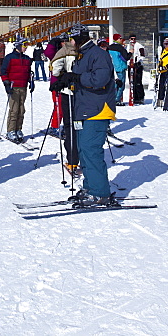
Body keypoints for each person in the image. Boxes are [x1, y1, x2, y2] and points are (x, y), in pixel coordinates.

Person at [53, 23, 117, 207]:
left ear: (79, 39)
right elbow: (82, 79)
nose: (69, 42)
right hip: (84, 108)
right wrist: (66, 81)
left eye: (71, 39)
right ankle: (91, 187)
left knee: (91, 150)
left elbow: (100, 80)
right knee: (83, 150)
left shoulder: (98, 54)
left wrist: (77, 77)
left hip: (97, 110)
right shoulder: (83, 56)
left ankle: (100, 193)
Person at [48, 33, 80, 177]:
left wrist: (62, 77)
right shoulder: (84, 49)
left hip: (70, 92)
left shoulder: (65, 50)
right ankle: (77, 159)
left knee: (71, 126)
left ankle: (73, 159)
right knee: (76, 125)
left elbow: (54, 69)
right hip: (79, 92)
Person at [0, 40, 34, 142]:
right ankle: (11, 130)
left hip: (23, 86)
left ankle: (18, 129)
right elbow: (3, 71)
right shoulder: (9, 57)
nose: (26, 47)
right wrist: (6, 83)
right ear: (18, 46)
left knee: (21, 109)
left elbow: (28, 72)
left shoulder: (26, 59)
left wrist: (31, 81)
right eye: (24, 45)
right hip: (13, 87)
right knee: (14, 109)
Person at [108, 34, 131, 106]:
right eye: (120, 38)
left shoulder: (110, 47)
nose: (122, 40)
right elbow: (125, 57)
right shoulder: (120, 48)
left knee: (114, 85)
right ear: (117, 39)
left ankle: (112, 99)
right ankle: (117, 100)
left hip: (112, 68)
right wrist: (130, 52)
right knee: (121, 85)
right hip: (120, 68)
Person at [155, 38, 168, 108]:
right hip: (162, 71)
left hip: (167, 71)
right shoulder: (163, 50)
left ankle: (166, 100)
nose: (166, 45)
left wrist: (167, 67)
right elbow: (161, 60)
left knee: (166, 86)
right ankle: (160, 100)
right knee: (161, 86)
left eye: (167, 43)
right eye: (164, 43)